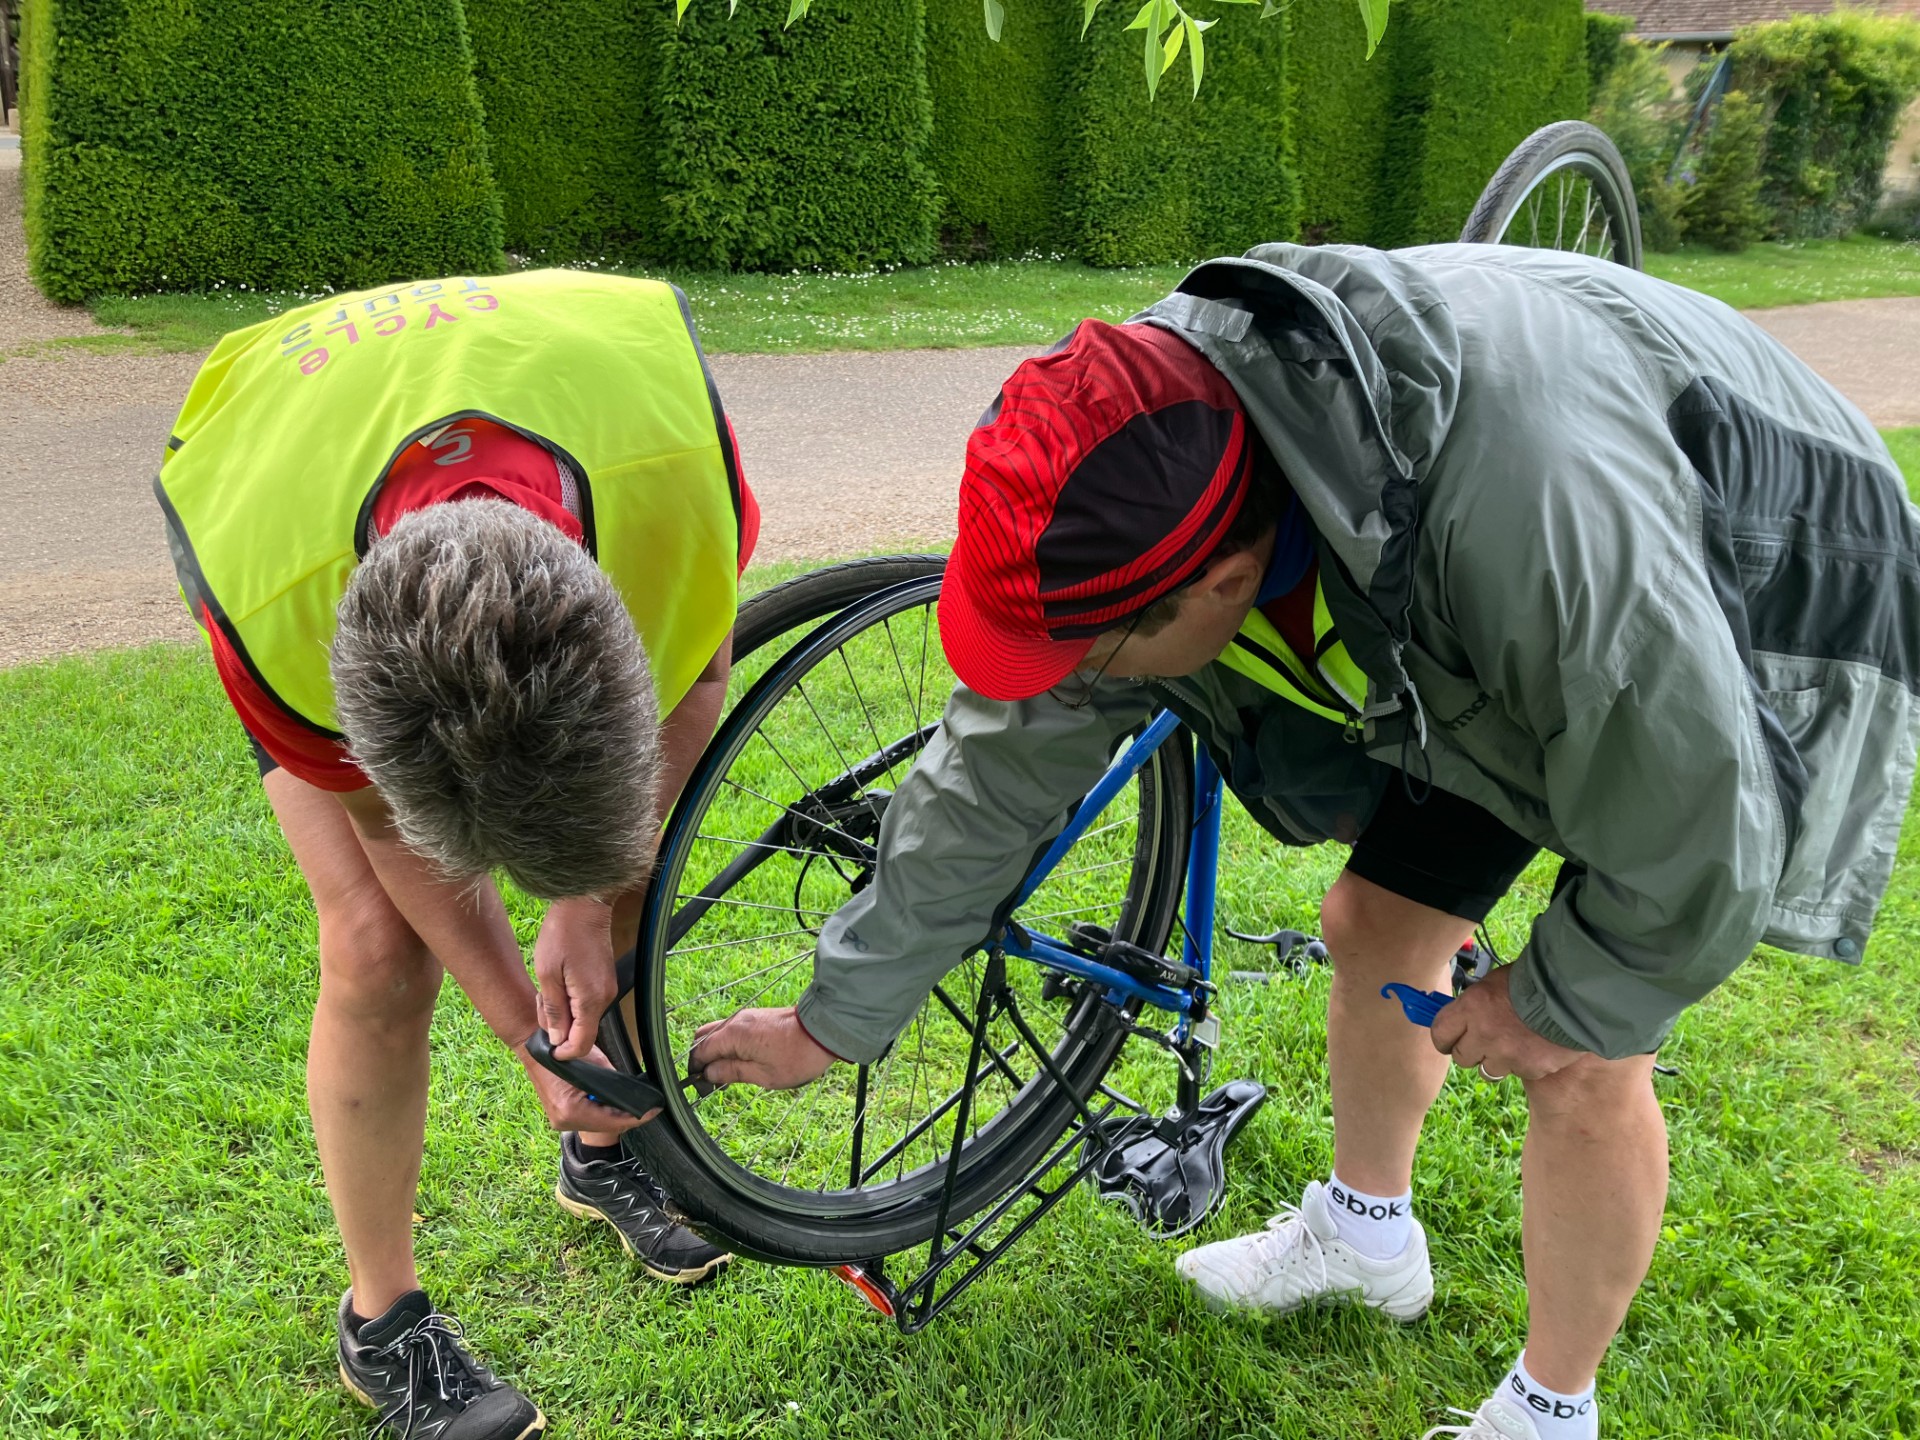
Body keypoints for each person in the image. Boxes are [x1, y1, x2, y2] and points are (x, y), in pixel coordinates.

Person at [688, 242, 1920, 1439]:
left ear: (1223, 585)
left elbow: (1695, 828)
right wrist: (835, 1019)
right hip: (1466, 610)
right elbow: (993, 769)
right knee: (1373, 925)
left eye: (1094, 655)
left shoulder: (1543, 546)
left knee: (1588, 1056)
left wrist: (1553, 1002)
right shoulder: (1149, 459)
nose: (1067, 683)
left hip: (1764, 561)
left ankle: (1553, 1407)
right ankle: (1370, 1237)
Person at [157, 269, 759, 1440]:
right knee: (380, 945)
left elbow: (699, 677)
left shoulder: (673, 484)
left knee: (624, 885)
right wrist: (516, 1023)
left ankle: (600, 1150)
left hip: (594, 408)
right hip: (281, 468)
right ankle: (381, 1324)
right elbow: (383, 826)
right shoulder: (276, 604)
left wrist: (588, 901)